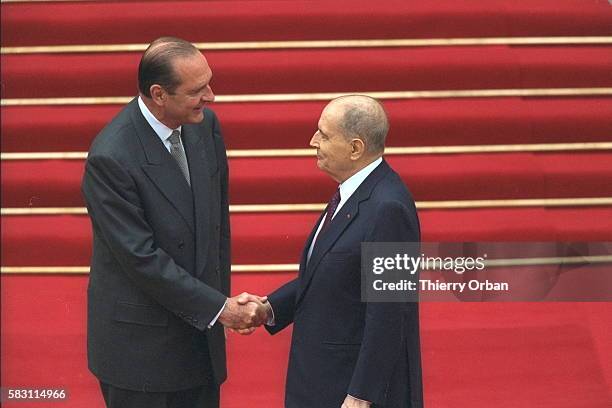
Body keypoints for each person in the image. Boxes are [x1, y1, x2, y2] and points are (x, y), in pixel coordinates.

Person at [81, 37, 269, 408]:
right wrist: (220, 309)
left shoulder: (204, 126)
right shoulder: (111, 157)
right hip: (142, 355)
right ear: (159, 94)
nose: (211, 97)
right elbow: (141, 258)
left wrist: (218, 309)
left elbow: (217, 228)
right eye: (198, 90)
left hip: (199, 342)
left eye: (209, 83)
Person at [242, 95, 423, 407]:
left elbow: (390, 313)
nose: (313, 141)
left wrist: (361, 395)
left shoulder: (389, 208)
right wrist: (270, 308)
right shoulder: (352, 192)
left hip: (349, 390)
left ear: (355, 148)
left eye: (324, 135)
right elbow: (331, 273)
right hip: (322, 381)